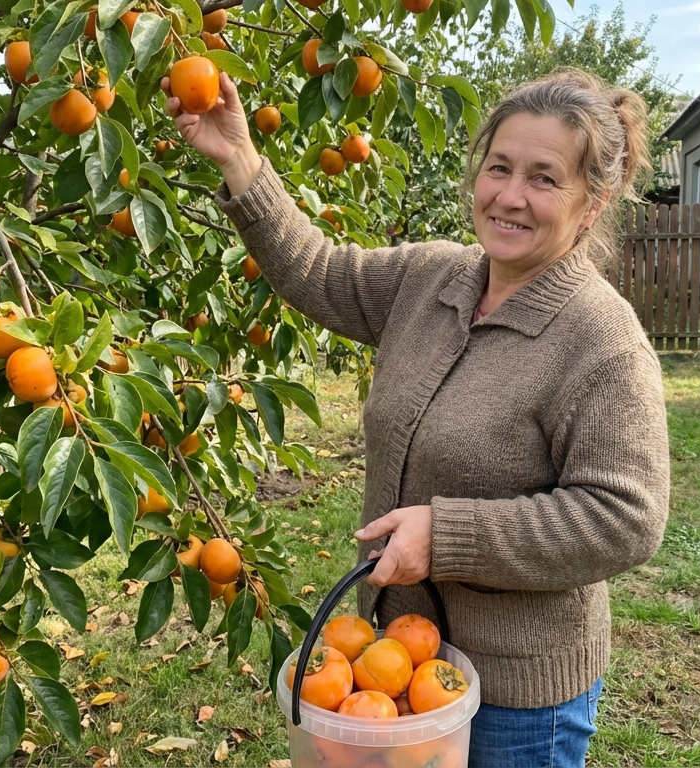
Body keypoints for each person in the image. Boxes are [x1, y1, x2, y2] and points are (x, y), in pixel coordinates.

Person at [162, 67, 670, 767]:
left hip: (519, 696)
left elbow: (626, 517)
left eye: (545, 179)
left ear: (594, 201)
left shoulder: (601, 341)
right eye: (499, 167)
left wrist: (447, 535)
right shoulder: (432, 278)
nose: (510, 196)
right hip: (395, 664)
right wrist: (239, 158)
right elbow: (317, 270)